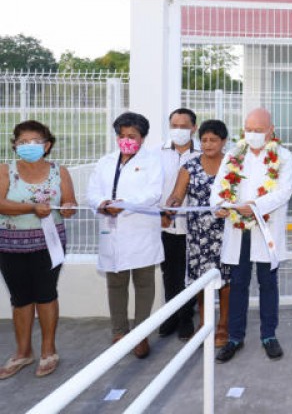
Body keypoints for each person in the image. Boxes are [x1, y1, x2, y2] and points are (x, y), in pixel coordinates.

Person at [210, 108, 292, 364]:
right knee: (237, 284)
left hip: (265, 227)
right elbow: (219, 188)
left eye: (259, 130)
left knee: (268, 284)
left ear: (271, 130)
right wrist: (220, 206)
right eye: (249, 129)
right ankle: (235, 337)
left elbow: (284, 191)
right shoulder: (234, 154)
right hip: (238, 229)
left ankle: (269, 335)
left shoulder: (283, 156)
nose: (253, 134)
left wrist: (256, 206)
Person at [0, 120, 76, 379]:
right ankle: (23, 352)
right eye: (22, 142)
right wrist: (32, 208)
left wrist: (68, 207)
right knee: (20, 298)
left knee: (46, 294)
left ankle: (48, 351)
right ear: (14, 145)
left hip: (49, 244)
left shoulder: (59, 171)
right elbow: (0, 204)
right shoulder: (5, 171)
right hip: (10, 244)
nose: (28, 146)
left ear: (47, 145)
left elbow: (69, 202)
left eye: (34, 141)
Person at [87, 111, 164, 359]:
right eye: (121, 135)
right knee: (116, 284)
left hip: (140, 229)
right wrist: (103, 202)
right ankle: (119, 333)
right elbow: (92, 190)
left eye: (132, 135)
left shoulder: (153, 161)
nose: (126, 139)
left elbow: (153, 194)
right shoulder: (105, 161)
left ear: (143, 137)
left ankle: (140, 335)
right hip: (112, 229)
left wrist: (126, 204)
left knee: (144, 283)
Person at [165, 119, 230, 346]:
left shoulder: (232, 166)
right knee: (201, 281)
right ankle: (204, 323)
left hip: (227, 233)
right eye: (204, 140)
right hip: (198, 236)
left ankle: (223, 325)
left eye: (214, 140)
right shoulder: (189, 167)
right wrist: (170, 206)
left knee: (226, 280)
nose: (208, 144)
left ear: (224, 141)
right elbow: (177, 195)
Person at [158, 107, 199, 340]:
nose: (179, 130)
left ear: (194, 127)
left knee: (189, 273)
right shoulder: (158, 153)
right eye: (175, 125)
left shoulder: (202, 153)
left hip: (193, 225)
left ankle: (186, 317)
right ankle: (171, 315)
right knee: (169, 272)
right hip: (165, 223)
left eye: (184, 126)